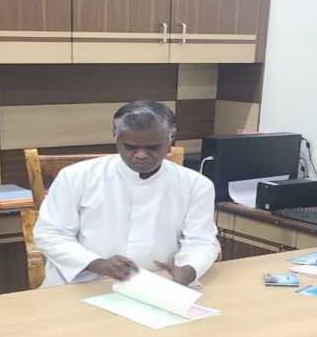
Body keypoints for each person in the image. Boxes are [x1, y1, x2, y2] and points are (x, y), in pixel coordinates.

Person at [32, 101, 219, 287]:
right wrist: (98, 264)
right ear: (115, 134)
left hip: (158, 284)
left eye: (153, 147)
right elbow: (51, 234)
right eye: (130, 147)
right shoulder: (75, 176)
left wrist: (189, 270)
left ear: (171, 137)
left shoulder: (196, 185)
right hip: (83, 281)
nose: (141, 155)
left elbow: (201, 240)